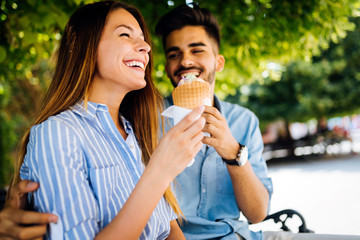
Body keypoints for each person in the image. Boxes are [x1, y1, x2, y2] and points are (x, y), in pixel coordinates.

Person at [0, 1, 207, 239]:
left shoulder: (139, 133)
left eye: (143, 38)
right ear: (86, 47)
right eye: (125, 34)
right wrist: (160, 171)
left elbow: (169, 229)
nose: (145, 47)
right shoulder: (57, 133)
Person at [155, 4, 272, 240]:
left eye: (197, 50)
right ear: (167, 68)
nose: (185, 61)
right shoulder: (148, 118)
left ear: (218, 62)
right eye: (174, 54)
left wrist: (233, 152)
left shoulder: (244, 121)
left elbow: (257, 214)